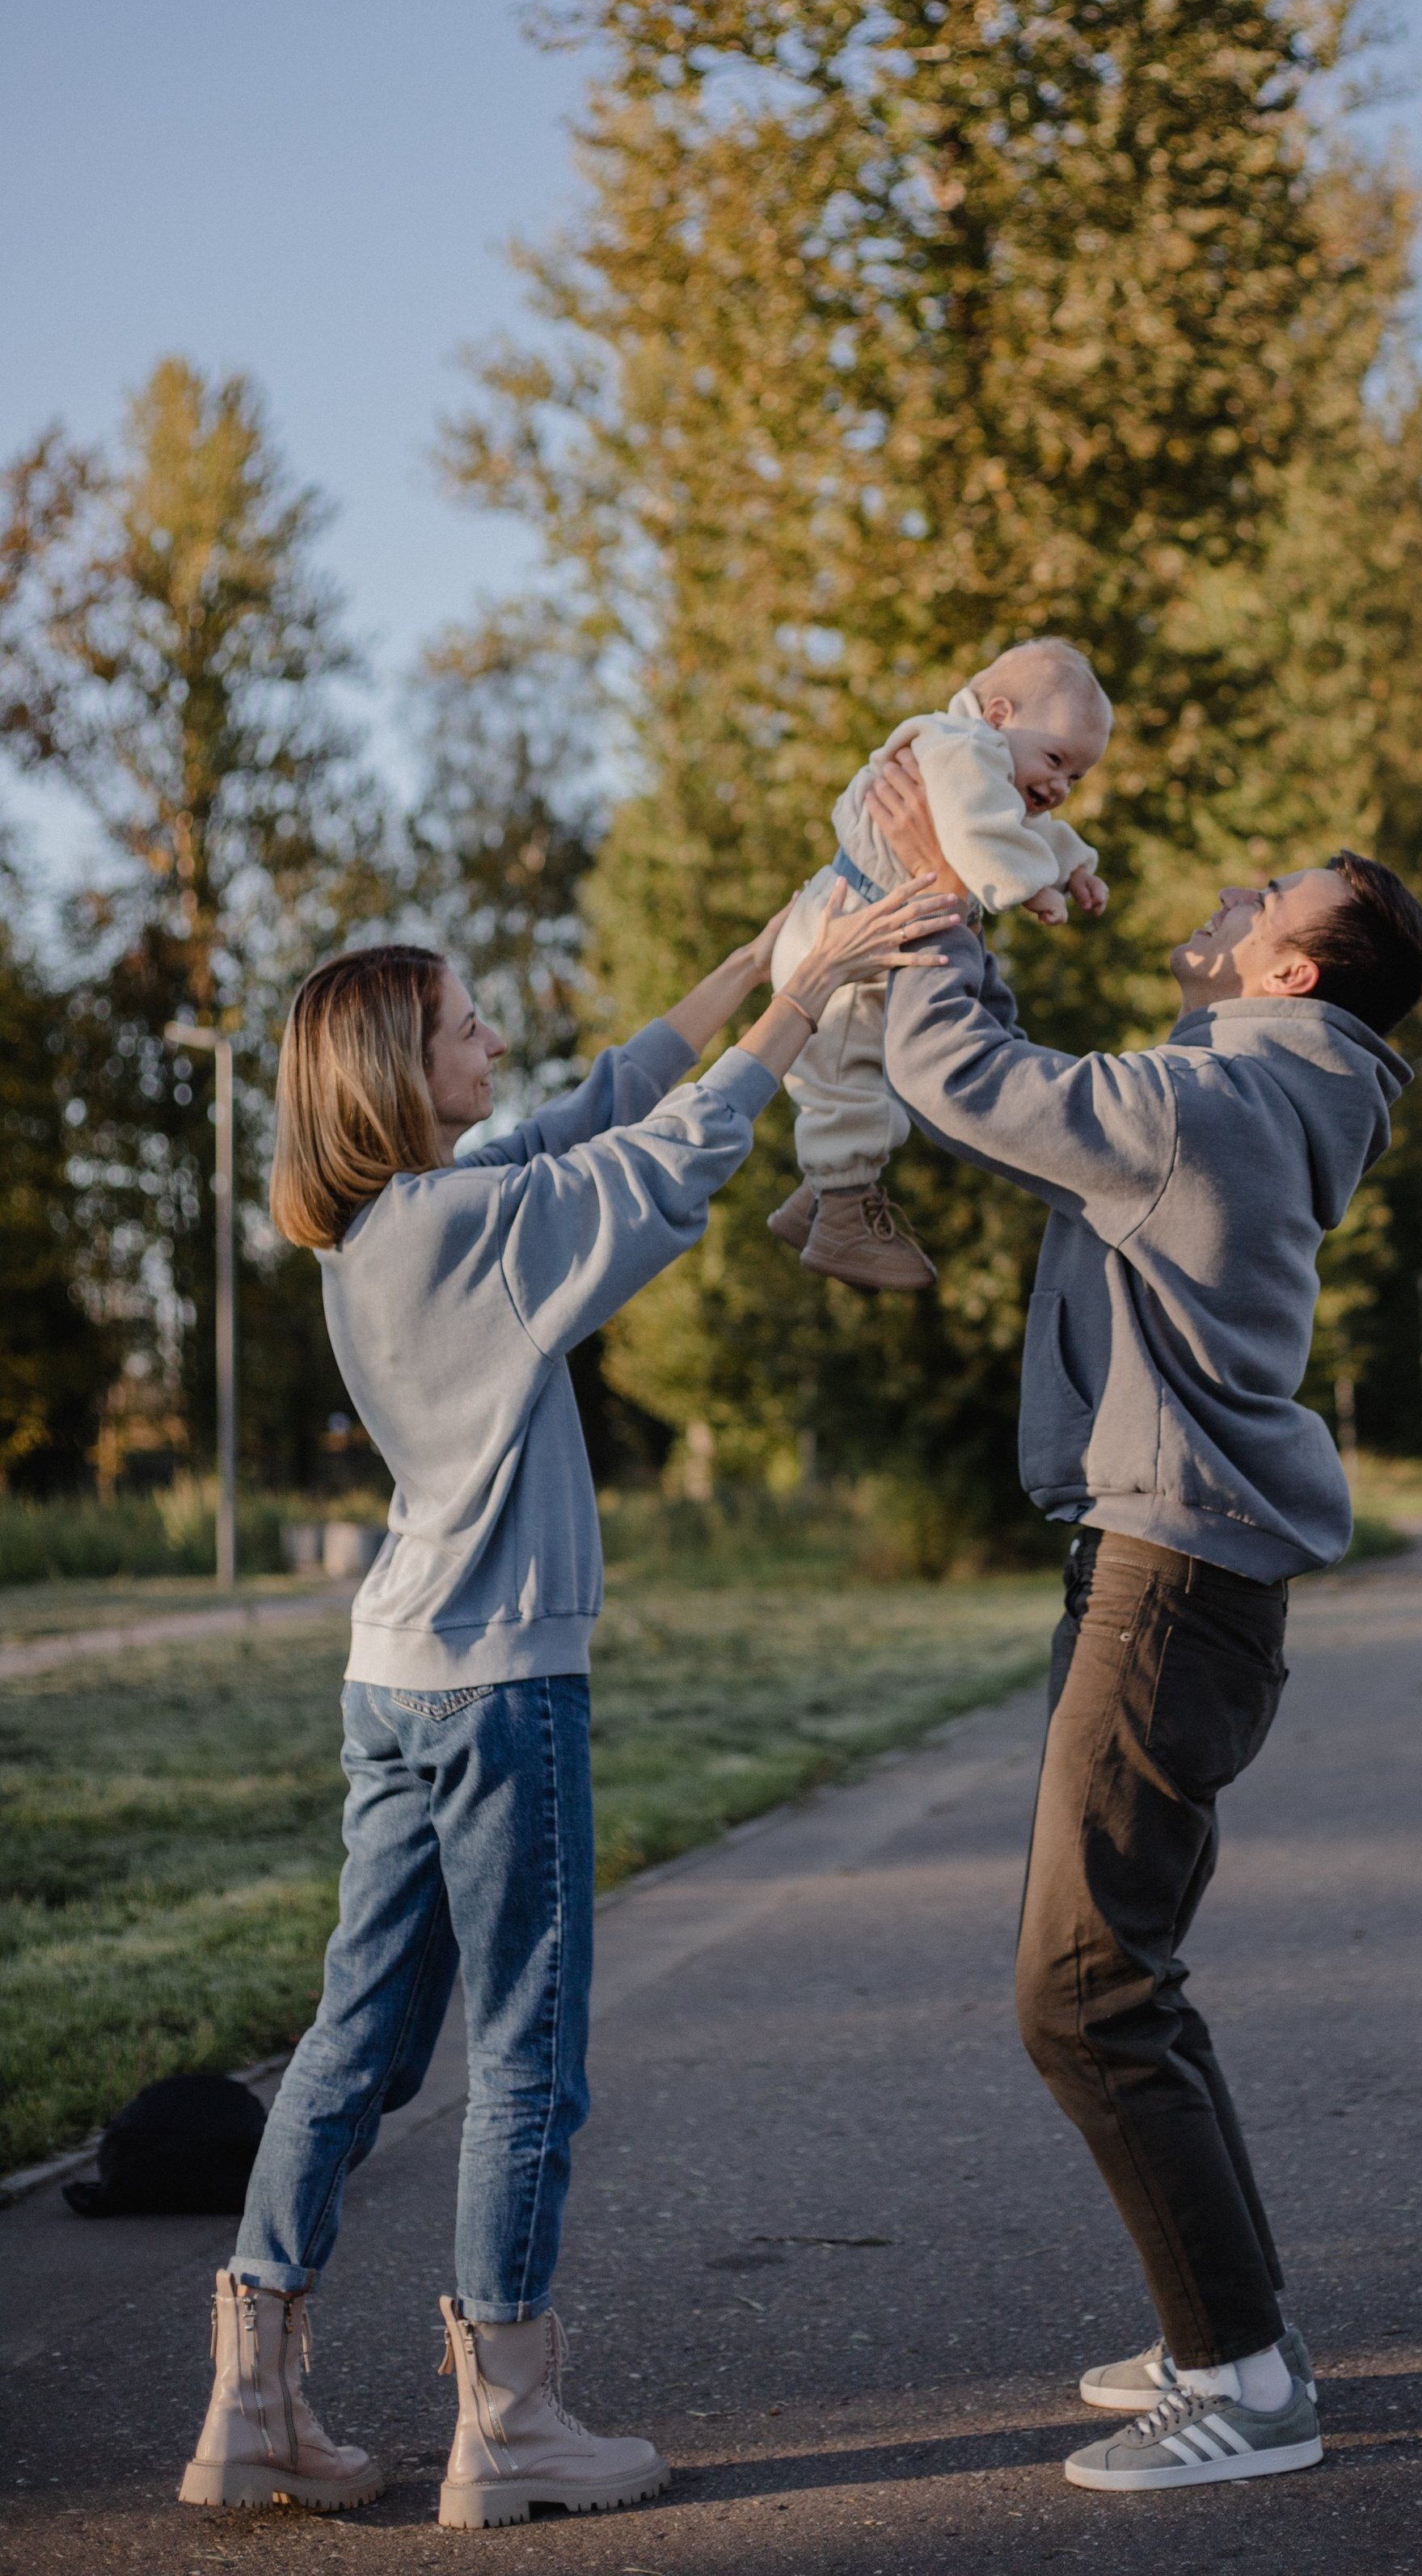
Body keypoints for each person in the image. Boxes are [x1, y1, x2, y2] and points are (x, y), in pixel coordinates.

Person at [177, 876, 956, 2533]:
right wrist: (804, 1007)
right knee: (526, 2057)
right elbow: (669, 1160)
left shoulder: (392, 1226)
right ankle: (511, 2424)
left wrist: (755, 958)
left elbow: (603, 1104)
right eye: (464, 1024)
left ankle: (252, 2404)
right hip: (497, 1690)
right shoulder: (478, 1230)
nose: (491, 1039)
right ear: (400, 1066)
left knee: (351, 2038)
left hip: (393, 1677)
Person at [869, 748, 1422, 2496]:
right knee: (1126, 1979)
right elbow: (1053, 1103)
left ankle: (1244, 2383)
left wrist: (939, 891)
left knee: (1081, 1994)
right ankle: (1225, 2323)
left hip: (1168, 1587)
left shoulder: (1218, 1108)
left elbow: (955, 1074)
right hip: (1176, 1574)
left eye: (1262, 896)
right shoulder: (1240, 1093)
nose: (1230, 893)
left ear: (1289, 974)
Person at [763, 637, 1112, 1290]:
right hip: (840, 940)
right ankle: (843, 1216)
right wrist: (1032, 887)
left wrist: (1075, 868)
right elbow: (977, 836)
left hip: (868, 931)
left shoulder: (985, 764)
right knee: (847, 1075)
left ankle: (812, 1207)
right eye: (1057, 760)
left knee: (870, 1077)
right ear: (1001, 715)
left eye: (1078, 778)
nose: (1062, 786)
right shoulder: (962, 749)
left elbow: (1018, 832)